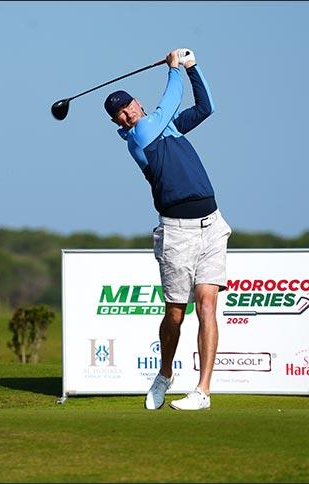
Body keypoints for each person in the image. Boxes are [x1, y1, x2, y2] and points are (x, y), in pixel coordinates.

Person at [104, 48, 231, 410]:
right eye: (119, 114)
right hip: (177, 231)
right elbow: (171, 100)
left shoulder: (167, 126)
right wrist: (174, 69)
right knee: (175, 313)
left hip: (212, 223)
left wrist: (193, 68)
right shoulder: (140, 136)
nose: (127, 113)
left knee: (207, 305)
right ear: (119, 122)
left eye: (128, 106)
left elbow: (205, 108)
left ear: (137, 103)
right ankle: (164, 374)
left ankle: (203, 391)